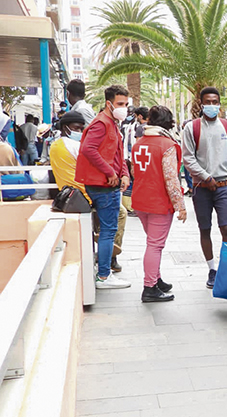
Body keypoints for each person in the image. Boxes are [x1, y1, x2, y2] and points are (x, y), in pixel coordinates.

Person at [75, 85, 132, 290]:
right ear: (109, 103)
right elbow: (88, 149)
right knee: (108, 231)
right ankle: (104, 276)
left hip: (108, 183)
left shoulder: (112, 123)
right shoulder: (102, 124)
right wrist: (110, 172)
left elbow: (118, 152)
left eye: (126, 104)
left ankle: (104, 274)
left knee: (108, 229)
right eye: (120, 104)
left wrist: (123, 173)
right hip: (102, 185)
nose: (124, 108)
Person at [181, 87, 227, 288]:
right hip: (201, 187)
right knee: (205, 229)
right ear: (201, 103)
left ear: (220, 103)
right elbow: (187, 157)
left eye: (215, 102)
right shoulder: (192, 128)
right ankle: (212, 269)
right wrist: (205, 177)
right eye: (208, 102)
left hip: (224, 186)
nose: (212, 105)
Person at [131, 105, 187, 302]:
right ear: (168, 123)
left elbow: (133, 173)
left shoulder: (138, 144)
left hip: (140, 200)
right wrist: (180, 205)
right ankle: (149, 287)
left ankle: (156, 278)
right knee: (155, 245)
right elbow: (171, 178)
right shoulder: (167, 145)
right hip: (158, 203)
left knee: (153, 243)